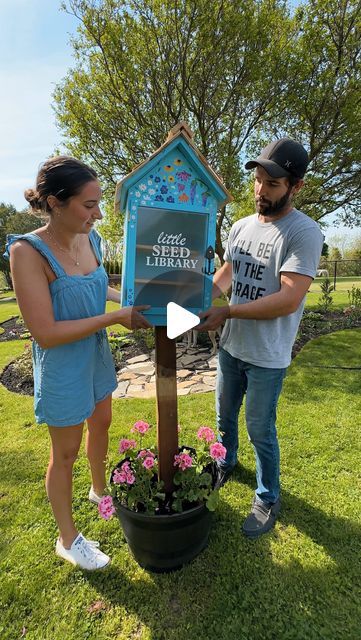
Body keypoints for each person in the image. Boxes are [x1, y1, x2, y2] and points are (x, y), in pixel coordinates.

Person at [5, 156, 152, 569]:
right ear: (55, 202)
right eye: (89, 205)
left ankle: (99, 488)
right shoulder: (27, 252)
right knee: (65, 452)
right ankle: (68, 539)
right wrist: (115, 318)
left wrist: (134, 300)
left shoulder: (93, 240)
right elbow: (45, 333)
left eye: (99, 203)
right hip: (64, 366)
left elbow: (96, 288)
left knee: (101, 422)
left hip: (96, 355)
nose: (98, 213)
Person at [197, 138, 324, 538]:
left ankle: (268, 496)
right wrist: (195, 299)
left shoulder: (304, 233)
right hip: (232, 347)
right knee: (223, 416)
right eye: (257, 180)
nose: (260, 191)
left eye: (272, 184)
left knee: (260, 428)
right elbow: (227, 275)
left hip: (268, 354)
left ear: (295, 186)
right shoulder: (240, 227)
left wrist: (227, 311)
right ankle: (226, 462)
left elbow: (288, 299)